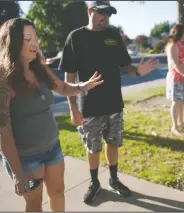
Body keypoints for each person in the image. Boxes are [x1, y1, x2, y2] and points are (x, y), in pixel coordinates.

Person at [0, 18, 104, 212]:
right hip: (25, 159)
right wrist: (18, 173)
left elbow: (62, 87)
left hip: (52, 148)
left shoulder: (37, 65)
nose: (35, 44)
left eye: (35, 38)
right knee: (34, 204)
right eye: (27, 39)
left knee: (58, 192)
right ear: (11, 42)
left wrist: (82, 86)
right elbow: (2, 133)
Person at [59, 0, 158, 204]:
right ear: (90, 12)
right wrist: (73, 108)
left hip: (114, 103)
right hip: (89, 106)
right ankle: (95, 183)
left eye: (108, 14)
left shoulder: (113, 35)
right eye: (101, 12)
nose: (105, 17)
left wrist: (138, 71)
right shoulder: (75, 37)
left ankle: (113, 179)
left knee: (113, 144)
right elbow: (69, 75)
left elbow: (126, 66)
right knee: (92, 148)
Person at [165, 24, 184, 136]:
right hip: (176, 78)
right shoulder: (172, 45)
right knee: (176, 102)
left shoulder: (179, 45)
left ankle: (181, 122)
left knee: (181, 101)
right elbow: (174, 64)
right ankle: (174, 126)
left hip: (182, 76)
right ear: (178, 33)